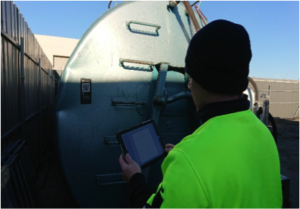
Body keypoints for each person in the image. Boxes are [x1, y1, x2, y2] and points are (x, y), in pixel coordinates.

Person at [119, 19, 282, 209]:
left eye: (192, 78)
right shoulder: (263, 134)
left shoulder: (188, 161)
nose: (189, 85)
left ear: (203, 81)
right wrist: (188, 160)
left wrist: (135, 179)